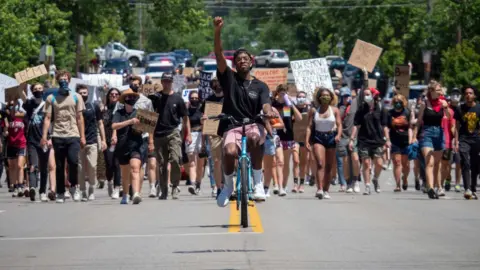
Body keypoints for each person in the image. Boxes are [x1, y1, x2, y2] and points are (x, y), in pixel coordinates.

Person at [213, 16, 275, 207]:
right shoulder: (228, 78)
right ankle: (228, 186)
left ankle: (257, 183)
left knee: (256, 139)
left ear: (251, 61)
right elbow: (218, 54)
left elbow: (265, 104)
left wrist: (268, 111)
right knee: (230, 151)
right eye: (238, 60)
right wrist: (217, 31)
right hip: (232, 126)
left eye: (245, 59)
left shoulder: (261, 85)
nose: (242, 61)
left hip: (253, 124)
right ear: (235, 64)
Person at [41, 70, 86, 203]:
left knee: (73, 162)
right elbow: (47, 118)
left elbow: (79, 118)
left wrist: (82, 136)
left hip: (73, 135)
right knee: (59, 166)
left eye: (66, 78)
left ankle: (74, 187)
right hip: (57, 134)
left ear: (69, 80)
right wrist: (44, 136)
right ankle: (60, 192)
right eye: (61, 78)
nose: (64, 80)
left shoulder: (77, 96)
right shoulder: (51, 98)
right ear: (57, 80)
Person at [150, 72, 190, 200]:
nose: (166, 83)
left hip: (173, 132)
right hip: (158, 134)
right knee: (162, 164)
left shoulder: (178, 98)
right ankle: (163, 189)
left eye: (169, 81)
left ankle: (175, 186)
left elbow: (185, 117)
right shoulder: (156, 98)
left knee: (175, 159)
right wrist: (150, 138)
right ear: (161, 82)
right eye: (164, 81)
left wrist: (187, 134)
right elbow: (148, 115)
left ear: (172, 82)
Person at [112, 89, 151, 204]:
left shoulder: (140, 112)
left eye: (133, 97)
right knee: (125, 173)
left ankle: (136, 193)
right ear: (125, 99)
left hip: (136, 145)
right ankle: (125, 194)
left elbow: (148, 128)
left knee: (135, 167)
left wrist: (143, 127)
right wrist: (129, 122)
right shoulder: (119, 113)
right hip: (122, 146)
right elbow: (114, 126)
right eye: (129, 97)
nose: (132, 99)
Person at [413, 80, 449, 199]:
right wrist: (414, 137)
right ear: (432, 91)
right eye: (439, 90)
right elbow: (418, 122)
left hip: (439, 133)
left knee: (437, 163)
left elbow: (449, 117)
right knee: (430, 161)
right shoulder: (424, 104)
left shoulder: (443, 102)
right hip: (426, 133)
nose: (441, 92)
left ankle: (437, 186)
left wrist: (446, 108)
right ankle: (430, 188)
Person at [305, 88, 342, 199]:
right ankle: (319, 188)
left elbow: (340, 125)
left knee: (329, 166)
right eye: (323, 95)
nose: (325, 97)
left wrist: (338, 135)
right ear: (319, 97)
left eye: (327, 95)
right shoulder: (314, 110)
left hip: (331, 137)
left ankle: (326, 189)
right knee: (320, 163)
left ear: (331, 97)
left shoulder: (335, 110)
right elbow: (309, 127)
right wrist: (306, 140)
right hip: (318, 138)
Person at [349, 87, 386, 195]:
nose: (366, 96)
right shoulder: (361, 109)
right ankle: (367, 186)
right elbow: (356, 125)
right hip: (364, 139)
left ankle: (375, 179)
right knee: (366, 163)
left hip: (377, 140)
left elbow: (384, 126)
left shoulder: (380, 108)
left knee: (379, 163)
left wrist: (387, 139)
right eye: (364, 95)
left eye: (368, 94)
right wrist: (352, 139)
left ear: (374, 95)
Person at [24, 83, 56, 202]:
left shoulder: (48, 105)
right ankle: (32, 187)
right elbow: (21, 95)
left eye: (40, 88)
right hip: (32, 140)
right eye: (35, 89)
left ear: (44, 91)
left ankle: (42, 191)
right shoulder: (29, 104)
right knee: (33, 165)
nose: (37, 90)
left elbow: (53, 123)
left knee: (43, 167)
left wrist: (50, 138)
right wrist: (22, 83)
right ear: (32, 91)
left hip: (44, 140)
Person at [126, 76, 156, 198]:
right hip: (126, 136)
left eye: (137, 84)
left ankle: (137, 190)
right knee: (128, 165)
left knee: (140, 164)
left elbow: (150, 123)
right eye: (132, 83)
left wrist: (151, 141)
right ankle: (129, 186)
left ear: (141, 85)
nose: (135, 85)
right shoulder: (124, 98)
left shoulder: (146, 101)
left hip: (141, 136)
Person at [76, 84, 107, 201]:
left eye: (85, 93)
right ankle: (83, 191)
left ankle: (91, 189)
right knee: (80, 168)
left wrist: (103, 140)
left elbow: (100, 123)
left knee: (92, 166)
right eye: (80, 93)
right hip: (78, 142)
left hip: (92, 140)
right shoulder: (74, 107)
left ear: (88, 94)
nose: (83, 95)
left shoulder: (94, 106)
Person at [271, 84, 302, 196]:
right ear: (277, 93)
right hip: (275, 135)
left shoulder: (288, 105)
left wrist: (291, 104)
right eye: (281, 91)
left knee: (285, 164)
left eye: (285, 91)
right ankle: (276, 184)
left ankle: (283, 186)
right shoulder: (273, 104)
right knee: (276, 162)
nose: (283, 93)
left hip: (288, 136)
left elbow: (299, 118)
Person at [200, 77, 225, 197]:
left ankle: (229, 183)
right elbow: (203, 116)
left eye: (219, 85)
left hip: (229, 130)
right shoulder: (209, 100)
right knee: (216, 161)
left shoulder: (230, 97)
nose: (217, 88)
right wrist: (204, 119)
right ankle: (218, 186)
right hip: (214, 133)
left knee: (232, 159)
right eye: (214, 86)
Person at [455, 85, 480, 200]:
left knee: (475, 165)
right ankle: (467, 189)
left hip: (476, 139)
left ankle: (473, 188)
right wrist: (455, 141)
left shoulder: (479, 108)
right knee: (465, 162)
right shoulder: (460, 108)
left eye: (470, 93)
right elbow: (456, 126)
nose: (468, 95)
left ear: (474, 95)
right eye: (466, 93)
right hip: (464, 139)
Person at [384, 94, 413, 192]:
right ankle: (398, 184)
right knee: (397, 162)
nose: (398, 104)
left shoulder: (407, 112)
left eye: (400, 102)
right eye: (396, 102)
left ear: (403, 102)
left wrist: (411, 139)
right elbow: (386, 127)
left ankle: (404, 178)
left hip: (405, 140)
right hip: (394, 140)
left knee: (406, 164)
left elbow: (410, 127)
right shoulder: (390, 113)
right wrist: (387, 139)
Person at [338, 87, 361, 193]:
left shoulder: (355, 104)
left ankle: (356, 180)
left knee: (355, 158)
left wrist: (365, 76)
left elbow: (364, 91)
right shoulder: (339, 107)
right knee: (346, 161)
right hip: (342, 137)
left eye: (347, 96)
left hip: (353, 136)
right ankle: (349, 182)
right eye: (343, 97)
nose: (345, 98)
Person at [185, 90, 206, 195]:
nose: (194, 100)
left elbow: (205, 126)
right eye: (192, 98)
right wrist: (188, 135)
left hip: (201, 135)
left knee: (200, 164)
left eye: (196, 98)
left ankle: (198, 183)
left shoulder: (202, 110)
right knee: (192, 162)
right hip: (191, 136)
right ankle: (192, 184)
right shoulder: (187, 110)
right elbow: (186, 123)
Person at [103, 88, 122, 199]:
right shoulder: (104, 109)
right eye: (112, 94)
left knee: (117, 164)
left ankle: (116, 187)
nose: (114, 96)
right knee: (109, 164)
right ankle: (109, 181)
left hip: (118, 139)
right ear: (108, 96)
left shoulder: (121, 108)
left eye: (116, 94)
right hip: (107, 139)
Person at [6, 98, 27, 198]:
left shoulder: (22, 117)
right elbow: (5, 129)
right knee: (12, 167)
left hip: (21, 144)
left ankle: (20, 186)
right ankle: (14, 186)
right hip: (11, 144)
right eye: (11, 106)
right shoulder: (8, 118)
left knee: (19, 166)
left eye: (15, 106)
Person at [445, 88, 462, 192]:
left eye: (457, 94)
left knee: (459, 162)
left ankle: (457, 183)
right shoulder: (447, 107)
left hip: (461, 138)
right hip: (448, 139)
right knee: (448, 162)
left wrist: (458, 138)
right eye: (453, 93)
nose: (455, 96)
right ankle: (447, 178)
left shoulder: (462, 108)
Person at [294, 91, 311, 193]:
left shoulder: (309, 109)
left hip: (305, 139)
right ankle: (295, 183)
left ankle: (301, 183)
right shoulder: (292, 108)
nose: (301, 98)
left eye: (303, 97)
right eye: (299, 97)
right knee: (296, 161)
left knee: (303, 163)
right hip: (295, 138)